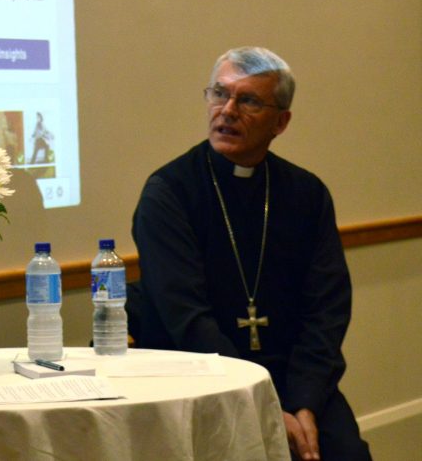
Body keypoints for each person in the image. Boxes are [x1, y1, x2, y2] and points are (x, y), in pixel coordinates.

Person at [130, 47, 371, 461]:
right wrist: (263, 405)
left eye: (249, 101)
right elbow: (188, 319)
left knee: (345, 454)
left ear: (281, 122)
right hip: (202, 375)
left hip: (294, 377)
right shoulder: (168, 193)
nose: (227, 110)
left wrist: (305, 403)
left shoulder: (306, 194)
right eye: (219, 94)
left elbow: (328, 312)